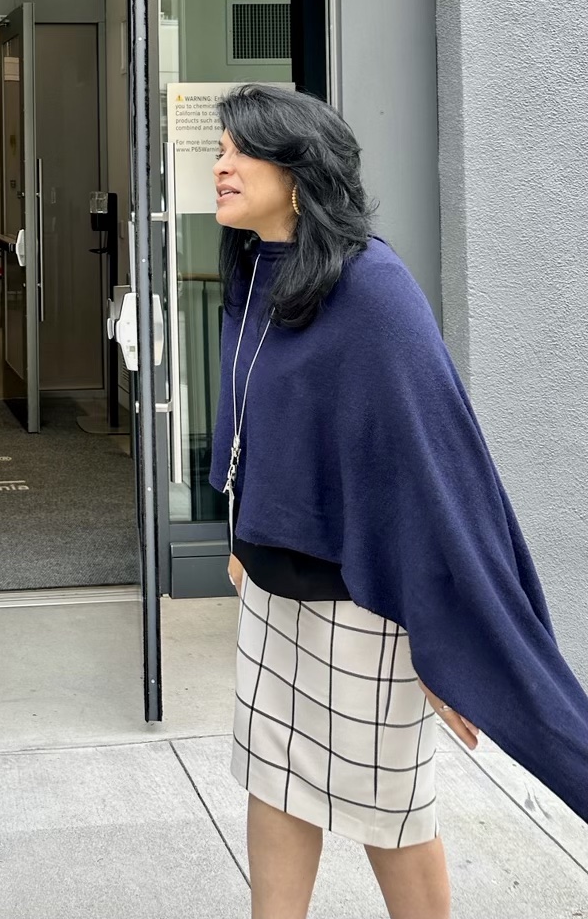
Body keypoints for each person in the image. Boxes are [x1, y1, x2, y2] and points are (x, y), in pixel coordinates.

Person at [210, 83, 588, 919]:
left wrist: (447, 625)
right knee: (276, 782)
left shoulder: (371, 287)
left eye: (241, 150)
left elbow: (437, 464)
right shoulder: (253, 273)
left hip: (362, 601)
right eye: (220, 148)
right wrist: (246, 531)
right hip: (274, 592)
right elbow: (256, 421)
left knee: (387, 807)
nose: (220, 165)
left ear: (298, 174)